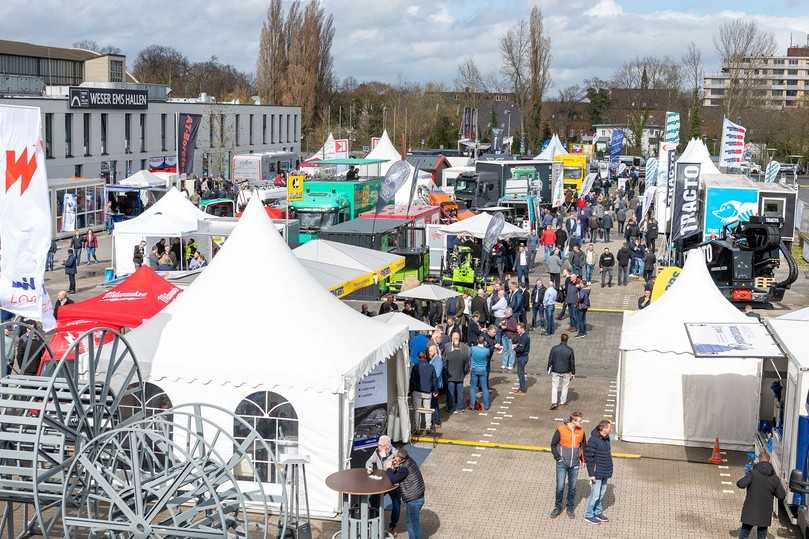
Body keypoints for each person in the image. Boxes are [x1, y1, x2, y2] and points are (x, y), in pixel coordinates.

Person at [735, 452, 785, 539]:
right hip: (765, 513)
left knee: (745, 531)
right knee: (762, 533)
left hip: (750, 511)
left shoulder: (753, 474)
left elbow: (741, 484)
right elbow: (781, 495)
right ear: (769, 461)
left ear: (759, 460)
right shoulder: (774, 478)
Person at [550, 412, 587, 518]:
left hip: (574, 464)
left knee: (572, 488)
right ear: (573, 421)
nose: (581, 422)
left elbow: (584, 446)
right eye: (580, 421)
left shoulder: (581, 432)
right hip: (562, 464)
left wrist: (583, 460)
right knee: (560, 487)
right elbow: (553, 445)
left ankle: (570, 508)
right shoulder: (561, 430)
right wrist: (558, 458)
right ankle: (557, 507)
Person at [386, 447, 425, 539]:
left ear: (401, 459)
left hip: (414, 499)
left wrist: (389, 468)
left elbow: (394, 479)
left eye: (396, 457)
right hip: (418, 496)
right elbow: (399, 474)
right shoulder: (409, 461)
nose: (394, 458)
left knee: (412, 524)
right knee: (413, 523)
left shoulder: (405, 468)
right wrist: (396, 467)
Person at [365, 435, 399, 533]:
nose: (378, 447)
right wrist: (369, 467)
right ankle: (375, 521)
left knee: (396, 503)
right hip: (381, 482)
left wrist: (385, 459)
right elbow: (369, 461)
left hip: (393, 483)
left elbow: (393, 470)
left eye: (381, 445)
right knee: (372, 498)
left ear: (387, 447)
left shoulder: (395, 454)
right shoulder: (377, 451)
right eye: (379, 445)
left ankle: (393, 526)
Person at [584, 420, 614, 525]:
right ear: (604, 428)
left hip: (605, 471)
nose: (611, 429)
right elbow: (589, 458)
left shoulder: (607, 438)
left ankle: (597, 512)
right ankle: (589, 515)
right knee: (595, 495)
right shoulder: (593, 440)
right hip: (597, 473)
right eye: (610, 427)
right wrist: (591, 474)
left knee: (601, 494)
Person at [443, 332, 469, 414]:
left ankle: (451, 408)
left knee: (451, 393)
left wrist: (447, 373)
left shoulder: (449, 355)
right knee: (460, 393)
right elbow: (466, 366)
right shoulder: (463, 354)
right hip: (460, 376)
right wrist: (463, 373)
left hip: (450, 376)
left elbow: (445, 365)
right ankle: (460, 408)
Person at [548, 333, 575, 410]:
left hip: (555, 370)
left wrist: (548, 368)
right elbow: (572, 362)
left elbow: (550, 359)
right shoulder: (570, 350)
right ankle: (563, 401)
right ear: (567, 340)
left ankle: (554, 402)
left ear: (561, 339)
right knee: (565, 386)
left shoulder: (554, 348)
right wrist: (573, 373)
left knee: (554, 386)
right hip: (566, 371)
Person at [469, 335, 491, 410]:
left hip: (474, 369)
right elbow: (488, 356)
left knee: (473, 388)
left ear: (477, 340)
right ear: (484, 342)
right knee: (485, 388)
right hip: (483, 370)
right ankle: (486, 405)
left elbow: (469, 356)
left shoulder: (472, 348)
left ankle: (472, 405)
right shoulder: (486, 350)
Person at [427, 344, 443, 427]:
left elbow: (437, 374)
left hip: (435, 385)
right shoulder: (433, 359)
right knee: (434, 403)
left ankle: (437, 421)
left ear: (435, 351)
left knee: (434, 404)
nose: (429, 352)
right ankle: (436, 420)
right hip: (433, 384)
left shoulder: (438, 360)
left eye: (431, 351)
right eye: (429, 351)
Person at [513, 323, 531, 394]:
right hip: (522, 357)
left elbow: (521, 349)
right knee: (520, 373)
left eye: (518, 329)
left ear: (522, 328)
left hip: (522, 357)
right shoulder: (523, 335)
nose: (517, 330)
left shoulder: (524, 337)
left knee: (520, 373)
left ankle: (522, 389)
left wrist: (514, 348)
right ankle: (521, 387)